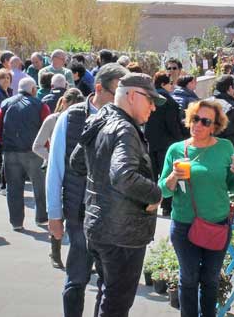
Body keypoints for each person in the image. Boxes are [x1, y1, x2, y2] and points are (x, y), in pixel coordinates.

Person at [70, 73, 164, 316]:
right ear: (132, 96)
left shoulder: (102, 118)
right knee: (116, 303)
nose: (153, 107)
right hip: (121, 233)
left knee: (108, 294)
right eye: (150, 100)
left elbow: (77, 162)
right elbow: (123, 175)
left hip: (100, 226)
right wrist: (155, 194)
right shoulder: (124, 128)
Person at [46, 63, 128, 317]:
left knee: (109, 284)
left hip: (112, 214)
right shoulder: (70, 118)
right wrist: (54, 213)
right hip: (79, 211)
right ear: (99, 88)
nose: (121, 98)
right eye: (117, 91)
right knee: (77, 278)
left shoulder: (124, 119)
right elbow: (55, 167)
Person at [158, 100, 234, 317]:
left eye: (205, 121)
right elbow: (163, 190)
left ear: (214, 126)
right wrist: (172, 177)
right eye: (195, 118)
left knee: (210, 279)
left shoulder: (224, 148)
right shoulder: (176, 149)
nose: (198, 124)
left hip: (217, 224)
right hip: (184, 225)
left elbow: (232, 185)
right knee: (188, 278)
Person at [33, 88, 84, 269]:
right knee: (56, 213)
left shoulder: (83, 121)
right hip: (54, 169)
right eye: (70, 106)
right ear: (63, 103)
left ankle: (81, 255)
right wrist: (51, 156)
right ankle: (55, 251)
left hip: (74, 173)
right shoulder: (53, 120)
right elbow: (37, 146)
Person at [0, 77, 51, 231]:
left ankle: (16, 222)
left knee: (14, 187)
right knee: (40, 186)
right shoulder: (40, 105)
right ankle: (42, 218)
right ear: (33, 90)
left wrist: (4, 143)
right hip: (34, 152)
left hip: (11, 151)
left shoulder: (6, 103)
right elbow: (47, 129)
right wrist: (45, 148)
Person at [144, 71, 186, 218]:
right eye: (170, 83)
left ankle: (150, 204)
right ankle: (166, 206)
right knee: (167, 176)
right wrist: (180, 139)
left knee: (152, 175)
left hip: (150, 141)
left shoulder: (148, 98)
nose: (172, 87)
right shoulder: (168, 101)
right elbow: (172, 124)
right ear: (163, 84)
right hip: (166, 143)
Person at [207, 75, 234, 150]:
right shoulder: (233, 108)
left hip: (205, 145)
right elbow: (233, 133)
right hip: (225, 148)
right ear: (230, 88)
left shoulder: (205, 103)